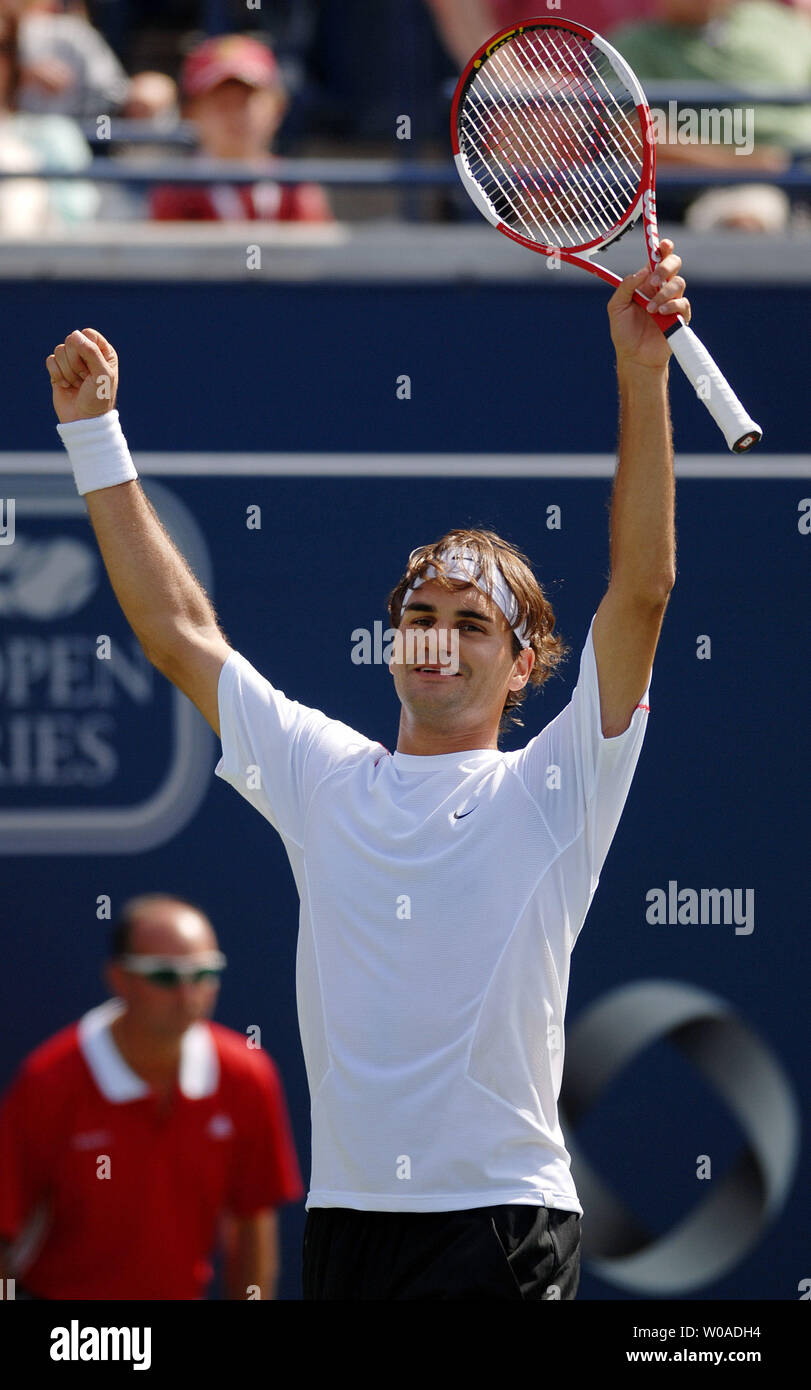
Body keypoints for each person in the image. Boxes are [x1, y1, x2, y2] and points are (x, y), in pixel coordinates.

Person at [43, 241, 689, 1299]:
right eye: (420, 615)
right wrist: (93, 433)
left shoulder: (557, 786)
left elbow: (643, 589)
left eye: (472, 623)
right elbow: (176, 632)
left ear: (523, 662)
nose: (438, 636)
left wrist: (640, 369)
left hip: (504, 1225)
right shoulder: (320, 772)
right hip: (349, 1226)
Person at [0, 893, 303, 1299]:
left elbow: (252, 1223)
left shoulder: (249, 1076)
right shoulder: (49, 1082)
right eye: (164, 975)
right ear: (119, 978)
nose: (186, 993)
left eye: (203, 973)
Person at [610, 0, 811, 228]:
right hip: (726, 189)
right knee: (746, 219)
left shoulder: (784, 26)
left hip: (801, 165)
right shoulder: (633, 45)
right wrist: (742, 165)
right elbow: (639, 139)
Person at [149, 33, 332, 223]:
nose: (235, 115)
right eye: (221, 103)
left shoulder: (297, 190)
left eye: (246, 101)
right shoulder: (175, 191)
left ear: (278, 108)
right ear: (190, 113)